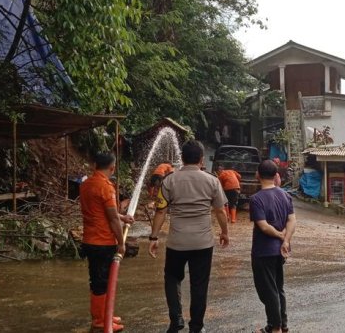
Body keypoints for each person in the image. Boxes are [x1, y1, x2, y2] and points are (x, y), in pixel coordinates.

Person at [149, 140, 230, 333]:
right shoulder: (212, 180)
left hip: (177, 242)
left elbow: (160, 212)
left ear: (182, 159)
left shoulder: (169, 180)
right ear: (202, 159)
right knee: (199, 284)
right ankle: (196, 326)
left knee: (172, 278)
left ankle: (176, 319)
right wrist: (225, 232)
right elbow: (220, 211)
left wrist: (153, 238)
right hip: (203, 243)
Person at [79, 153, 135, 332]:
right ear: (112, 168)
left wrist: (123, 217)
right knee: (101, 282)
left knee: (100, 280)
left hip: (90, 239)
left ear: (95, 165)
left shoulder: (86, 184)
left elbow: (103, 211)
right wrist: (121, 242)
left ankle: (105, 315)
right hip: (102, 241)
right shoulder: (105, 187)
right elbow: (112, 219)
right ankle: (100, 320)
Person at [249, 160, 297, 333]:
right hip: (280, 251)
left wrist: (278, 235)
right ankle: (282, 324)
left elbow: (262, 225)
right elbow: (292, 220)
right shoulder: (285, 195)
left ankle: (274, 326)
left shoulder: (256, 199)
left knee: (267, 290)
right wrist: (285, 241)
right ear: (276, 175)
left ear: (258, 175)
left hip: (263, 252)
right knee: (278, 288)